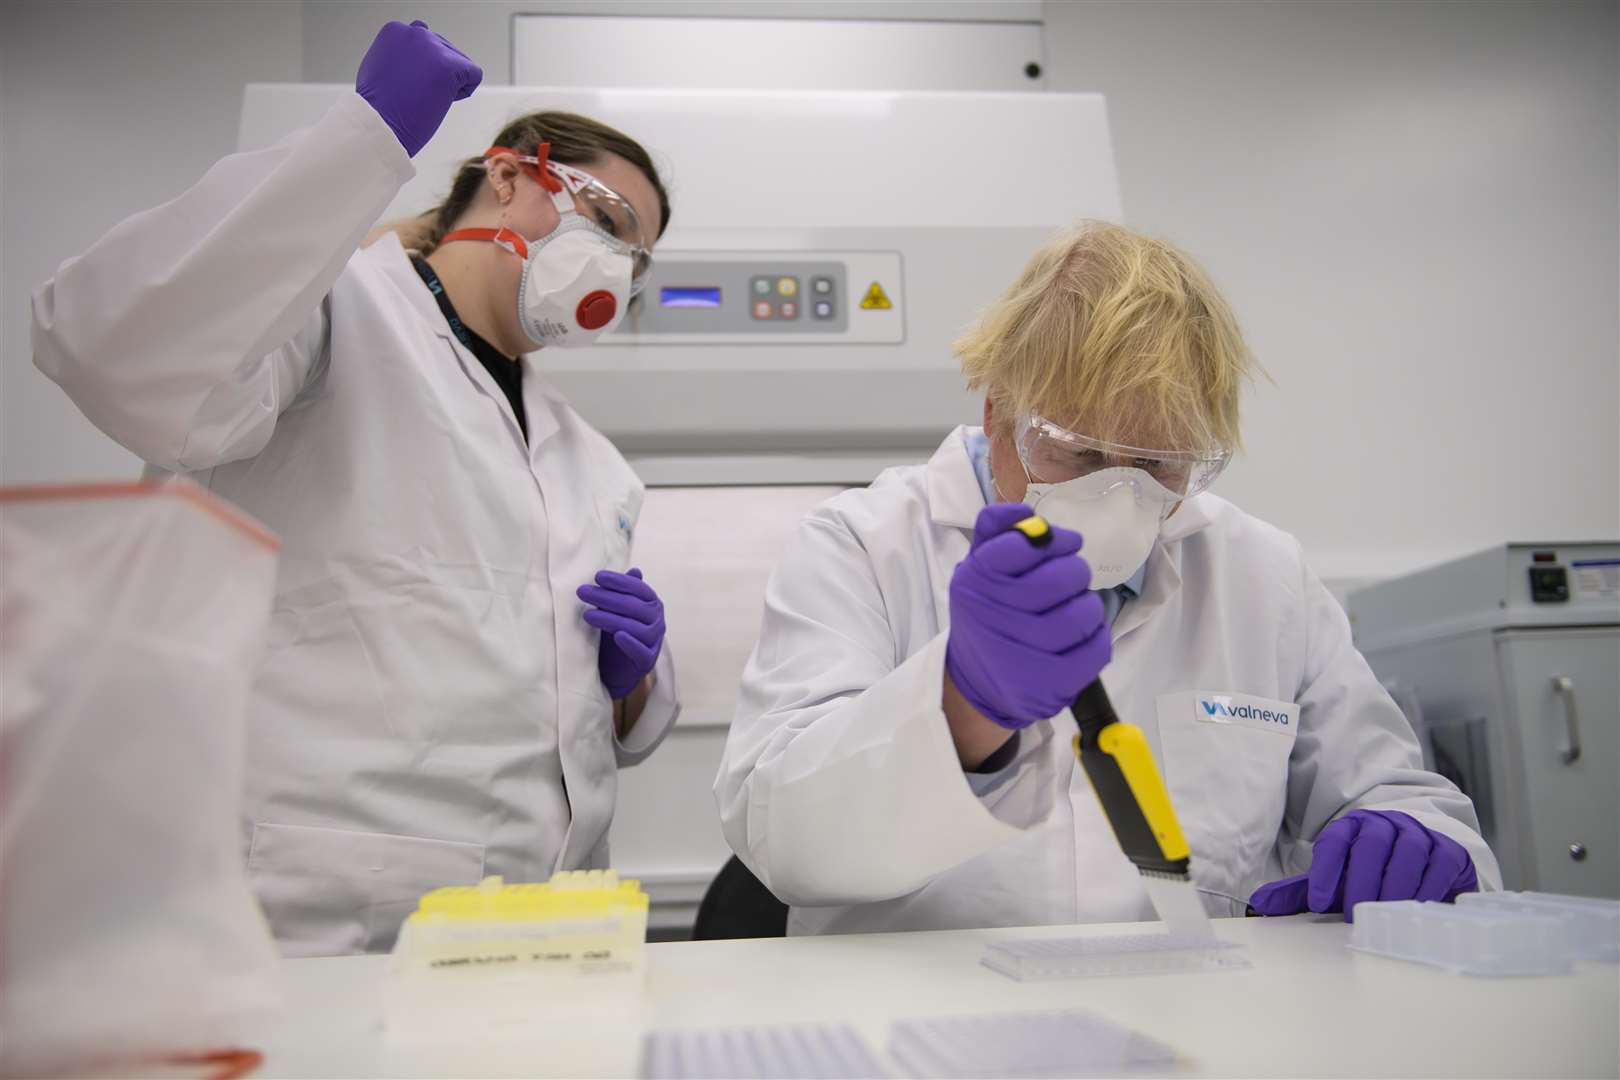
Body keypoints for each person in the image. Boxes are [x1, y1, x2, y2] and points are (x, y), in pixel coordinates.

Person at [32, 21, 680, 955]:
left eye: (638, 261)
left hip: (543, 923)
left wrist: (632, 686)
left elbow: (547, 704)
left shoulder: (591, 464)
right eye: (608, 224)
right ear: (509, 176)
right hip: (320, 917)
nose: (616, 273)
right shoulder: (331, 314)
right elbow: (113, 348)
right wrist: (363, 137)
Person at [715, 220, 1496, 935]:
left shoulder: (1264, 574)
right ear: (997, 416)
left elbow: (1393, 794)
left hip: (1193, 1023)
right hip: (924, 1030)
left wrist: (1424, 840)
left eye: (1158, 463)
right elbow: (778, 836)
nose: (1121, 496)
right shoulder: (862, 543)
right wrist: (960, 708)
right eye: (1079, 453)